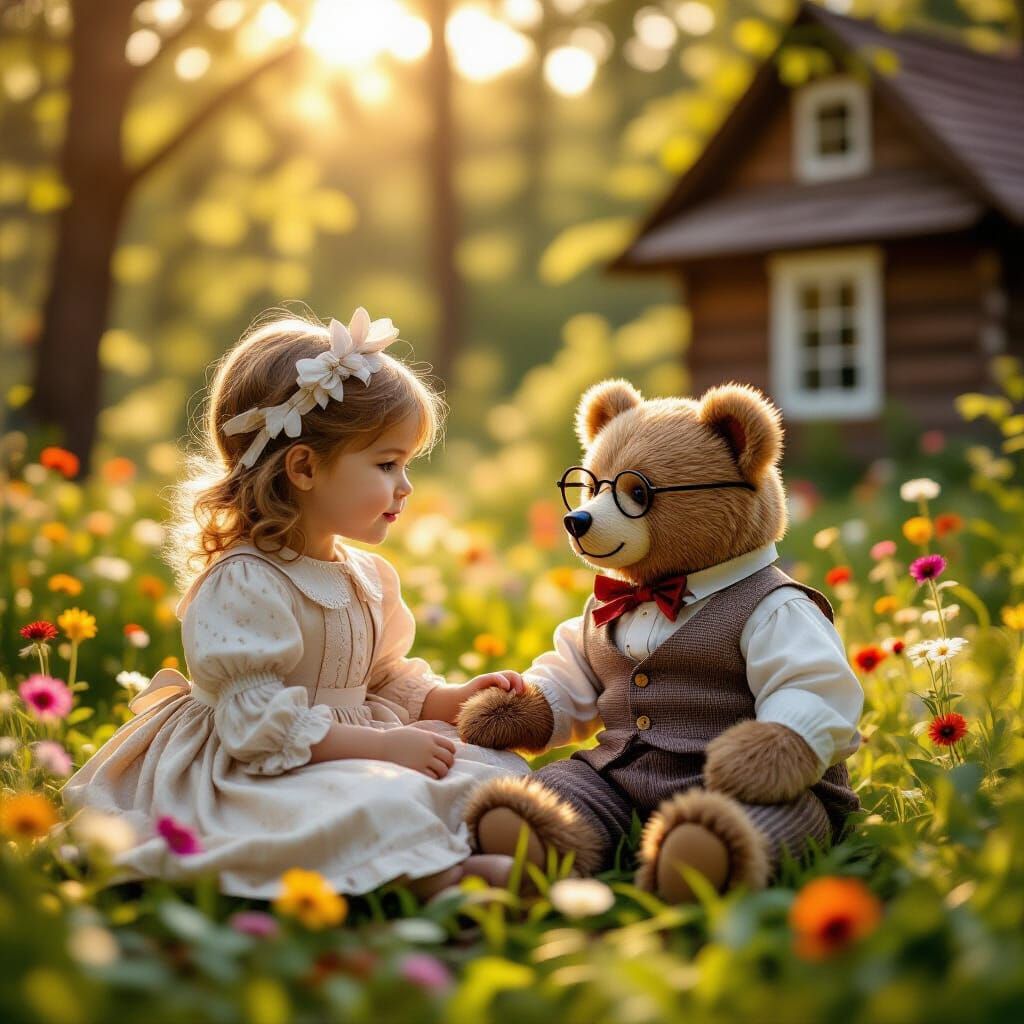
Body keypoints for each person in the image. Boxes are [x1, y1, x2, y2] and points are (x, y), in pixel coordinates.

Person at [63, 306, 530, 900]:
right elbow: (254, 724)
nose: (405, 486)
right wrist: (382, 747)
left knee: (487, 771)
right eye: (387, 464)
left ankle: (485, 844)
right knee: (367, 802)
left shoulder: (368, 576)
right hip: (258, 766)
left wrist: (448, 700)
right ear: (304, 467)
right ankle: (441, 882)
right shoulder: (246, 582)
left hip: (349, 744)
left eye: (406, 465)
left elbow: (381, 678)